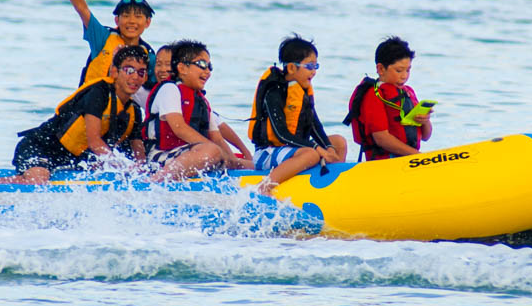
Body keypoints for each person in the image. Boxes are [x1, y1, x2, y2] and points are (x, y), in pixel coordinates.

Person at [0, 46, 149, 184]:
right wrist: (121, 165)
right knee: (38, 180)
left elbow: (137, 146)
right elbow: (95, 141)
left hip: (69, 159)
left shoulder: (133, 109)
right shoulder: (99, 93)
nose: (135, 77)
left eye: (141, 72)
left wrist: (140, 168)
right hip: (41, 146)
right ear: (114, 72)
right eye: (129, 70)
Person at [248, 35, 347, 195]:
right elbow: (281, 134)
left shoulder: (302, 91)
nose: (314, 71)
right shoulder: (274, 91)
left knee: (339, 142)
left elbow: (314, 125)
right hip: (268, 152)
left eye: (316, 66)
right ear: (292, 68)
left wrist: (328, 147)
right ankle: (263, 188)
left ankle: (328, 185)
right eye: (309, 66)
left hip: (292, 150)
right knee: (311, 153)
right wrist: (317, 148)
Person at [143, 40, 254, 181]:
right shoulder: (169, 89)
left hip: (193, 154)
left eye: (210, 66)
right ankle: (154, 181)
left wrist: (231, 160)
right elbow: (179, 128)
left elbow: (217, 137)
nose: (207, 71)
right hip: (161, 157)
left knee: (252, 164)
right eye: (202, 65)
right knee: (212, 151)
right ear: (182, 68)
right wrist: (216, 151)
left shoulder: (201, 101)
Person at [56, 0, 157, 88]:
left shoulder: (149, 57)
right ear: (117, 21)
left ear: (147, 23)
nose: (132, 21)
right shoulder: (102, 38)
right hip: (90, 104)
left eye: (138, 17)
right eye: (126, 16)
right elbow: (82, 8)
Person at [346, 36, 432, 161]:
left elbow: (425, 136)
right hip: (384, 163)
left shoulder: (408, 92)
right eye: (399, 70)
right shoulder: (374, 95)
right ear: (381, 69)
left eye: (408, 70)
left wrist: (425, 121)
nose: (404, 76)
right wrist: (418, 157)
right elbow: (381, 138)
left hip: (409, 159)